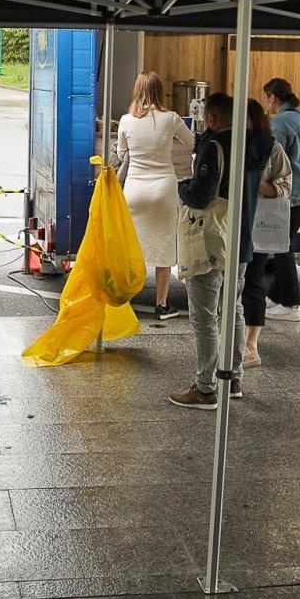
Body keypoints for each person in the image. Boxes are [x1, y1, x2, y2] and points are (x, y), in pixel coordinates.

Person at [168, 93, 272, 410]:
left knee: (204, 317)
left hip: (210, 242)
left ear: (211, 119)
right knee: (233, 310)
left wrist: (182, 187)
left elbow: (201, 195)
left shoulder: (215, 147)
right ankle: (233, 378)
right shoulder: (257, 146)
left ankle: (205, 388)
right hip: (241, 240)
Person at [114, 71, 194, 322]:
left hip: (134, 190)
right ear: (160, 92)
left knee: (131, 246)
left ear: (137, 90)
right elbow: (192, 142)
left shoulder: (126, 121)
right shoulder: (171, 119)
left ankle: (125, 301)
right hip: (163, 189)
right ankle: (162, 305)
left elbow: (121, 152)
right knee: (164, 245)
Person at [261, 77, 300, 322]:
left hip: (295, 191)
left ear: (273, 98)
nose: (265, 102)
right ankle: (275, 298)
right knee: (284, 242)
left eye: (266, 97)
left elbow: (273, 158)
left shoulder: (281, 122)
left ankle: (292, 303)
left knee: (281, 246)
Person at [240, 98, 292, 369]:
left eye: (244, 119)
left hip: (258, 223)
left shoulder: (272, 149)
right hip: (228, 224)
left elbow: (284, 186)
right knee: (229, 284)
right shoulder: (229, 144)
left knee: (252, 281)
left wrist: (252, 179)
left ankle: (251, 346)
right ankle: (236, 339)